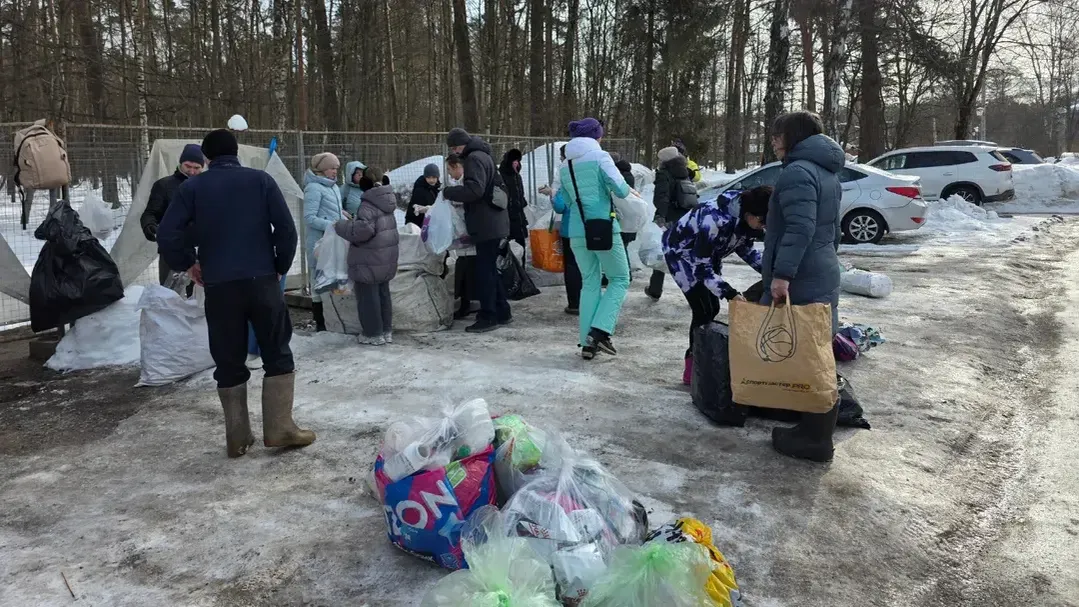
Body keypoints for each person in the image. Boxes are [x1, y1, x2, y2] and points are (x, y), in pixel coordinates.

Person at [157, 129, 313, 458]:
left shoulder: (193, 187)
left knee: (228, 356)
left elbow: (168, 234)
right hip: (262, 281)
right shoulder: (261, 181)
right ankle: (280, 428)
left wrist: (189, 264)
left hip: (220, 285)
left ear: (207, 158)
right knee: (276, 349)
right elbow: (286, 229)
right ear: (236, 152)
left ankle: (238, 436)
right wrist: (280, 265)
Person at [760, 110, 844, 463]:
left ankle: (815, 439)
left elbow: (799, 228)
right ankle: (812, 427)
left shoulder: (797, 171)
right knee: (817, 350)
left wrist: (782, 275)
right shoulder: (825, 171)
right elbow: (832, 229)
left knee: (810, 353)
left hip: (804, 274)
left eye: (778, 135)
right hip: (821, 267)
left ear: (793, 136)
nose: (774, 141)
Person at [663, 186, 772, 385]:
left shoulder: (745, 219)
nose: (763, 226)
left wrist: (771, 275)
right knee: (703, 309)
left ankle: (702, 359)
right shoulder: (713, 219)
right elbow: (701, 267)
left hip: (708, 256)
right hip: (682, 256)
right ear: (750, 214)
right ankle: (693, 368)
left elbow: (746, 251)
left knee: (712, 307)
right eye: (762, 221)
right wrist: (729, 293)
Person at [555, 117, 631, 359]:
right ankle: (600, 331)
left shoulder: (565, 166)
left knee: (590, 282)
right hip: (603, 228)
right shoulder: (600, 157)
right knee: (620, 278)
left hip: (577, 231)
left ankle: (587, 343)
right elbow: (621, 189)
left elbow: (564, 201)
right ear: (595, 137)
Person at [443, 128, 512, 333]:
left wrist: (448, 192)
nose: (455, 152)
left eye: (454, 147)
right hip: (493, 222)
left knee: (484, 272)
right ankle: (502, 310)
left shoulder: (473, 159)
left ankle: (488, 315)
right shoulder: (484, 156)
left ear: (460, 145)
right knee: (489, 270)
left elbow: (475, 190)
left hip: (486, 224)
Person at [335, 166, 400, 346]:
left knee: (367, 296)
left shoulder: (368, 203)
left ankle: (372, 334)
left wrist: (341, 226)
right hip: (386, 256)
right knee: (383, 294)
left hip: (369, 257)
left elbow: (363, 230)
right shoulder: (388, 201)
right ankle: (386, 330)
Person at [140, 143, 205, 288]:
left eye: (197, 168)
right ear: (181, 163)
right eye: (188, 166)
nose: (192, 171)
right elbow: (150, 213)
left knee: (199, 299)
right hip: (173, 250)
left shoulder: (206, 187)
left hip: (202, 251)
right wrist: (150, 226)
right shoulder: (164, 185)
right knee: (171, 295)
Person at [646, 146, 697, 301]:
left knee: (662, 253)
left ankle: (655, 289)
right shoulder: (685, 173)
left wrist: (660, 215)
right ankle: (694, 291)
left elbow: (661, 197)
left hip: (670, 219)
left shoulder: (664, 174)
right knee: (686, 255)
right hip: (687, 218)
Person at [303, 152, 343, 332]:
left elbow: (336, 211)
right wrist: (332, 225)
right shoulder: (313, 188)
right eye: (332, 168)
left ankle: (334, 319)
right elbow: (309, 218)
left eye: (336, 168)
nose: (335, 171)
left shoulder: (333, 187)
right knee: (318, 282)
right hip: (318, 243)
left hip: (333, 241)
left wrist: (345, 220)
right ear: (322, 169)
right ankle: (320, 323)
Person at [539, 145, 581, 315]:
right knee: (589, 266)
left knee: (571, 266)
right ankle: (590, 301)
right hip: (591, 228)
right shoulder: (591, 172)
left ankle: (574, 304)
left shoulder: (566, 176)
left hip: (571, 228)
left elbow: (560, 207)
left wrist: (552, 194)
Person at [499, 148, 529, 250]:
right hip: (507, 216)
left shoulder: (517, 176)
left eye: (518, 161)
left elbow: (520, 193)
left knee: (521, 245)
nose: (516, 164)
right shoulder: (501, 176)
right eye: (514, 161)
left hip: (519, 216)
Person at [405, 163, 441, 229]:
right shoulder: (420, 190)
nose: (431, 180)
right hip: (418, 224)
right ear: (425, 177)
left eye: (434, 177)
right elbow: (415, 211)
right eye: (428, 177)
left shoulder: (437, 188)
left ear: (437, 177)